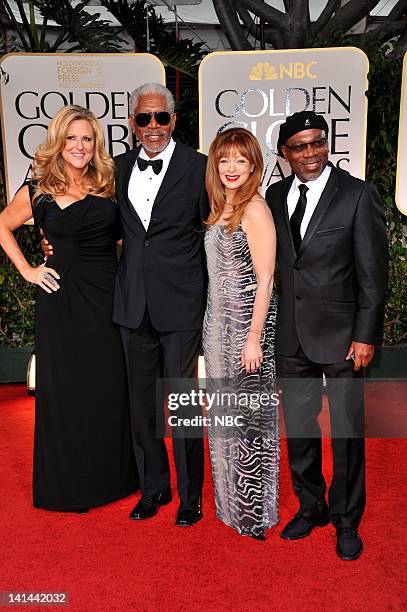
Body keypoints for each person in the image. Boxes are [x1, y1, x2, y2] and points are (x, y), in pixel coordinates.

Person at [0, 105, 136, 512]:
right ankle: (66, 484)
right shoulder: (38, 188)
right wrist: (27, 269)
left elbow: (130, 238)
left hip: (106, 296)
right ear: (59, 142)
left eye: (88, 139)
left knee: (108, 388)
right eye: (72, 138)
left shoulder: (111, 183)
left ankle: (111, 479)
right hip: (59, 298)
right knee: (64, 390)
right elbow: (3, 224)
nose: (79, 146)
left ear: (97, 145)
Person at [265, 111, 388, 559]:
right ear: (285, 153)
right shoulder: (275, 196)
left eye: (318, 142)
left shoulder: (357, 195)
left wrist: (366, 334)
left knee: (348, 432)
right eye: (300, 146)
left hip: (343, 336)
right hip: (292, 337)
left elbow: (374, 274)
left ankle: (346, 520)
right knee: (299, 429)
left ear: (327, 144)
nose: (311, 153)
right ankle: (311, 506)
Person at [113, 83, 209, 526]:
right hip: (133, 303)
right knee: (141, 406)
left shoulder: (199, 167)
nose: (153, 127)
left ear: (174, 120)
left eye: (161, 118)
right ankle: (153, 488)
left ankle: (191, 496)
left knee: (184, 402)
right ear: (132, 122)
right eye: (143, 119)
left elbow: (222, 226)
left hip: (181, 303)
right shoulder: (115, 168)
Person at [203, 128, 279, 540]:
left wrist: (253, 338)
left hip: (246, 331)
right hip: (217, 329)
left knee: (250, 423)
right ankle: (231, 506)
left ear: (253, 165)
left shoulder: (254, 209)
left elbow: (266, 280)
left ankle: (254, 513)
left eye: (241, 160)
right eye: (224, 160)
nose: (232, 168)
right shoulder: (221, 207)